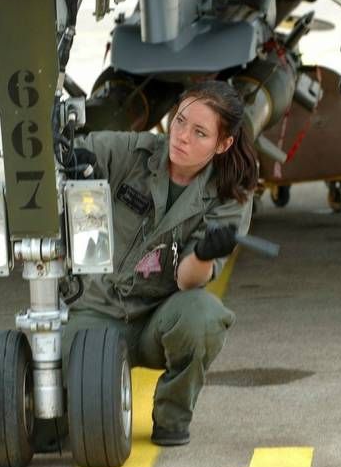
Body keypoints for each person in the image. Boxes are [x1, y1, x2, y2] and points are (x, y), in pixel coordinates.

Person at [62, 79, 258, 446]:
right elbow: (71, 151)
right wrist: (74, 160)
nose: (181, 136)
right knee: (55, 433)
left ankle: (171, 418)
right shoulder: (133, 152)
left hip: (157, 321)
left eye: (200, 132)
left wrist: (203, 254)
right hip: (98, 311)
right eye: (180, 121)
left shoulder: (230, 197)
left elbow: (188, 281)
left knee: (203, 315)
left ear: (222, 143)